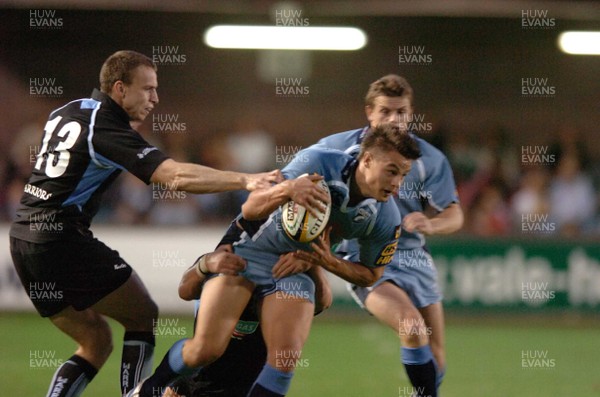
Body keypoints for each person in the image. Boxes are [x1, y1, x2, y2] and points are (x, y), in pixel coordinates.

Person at [7, 50, 305, 397]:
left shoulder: (68, 111)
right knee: (144, 316)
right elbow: (176, 176)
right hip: (61, 239)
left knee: (95, 342)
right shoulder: (108, 127)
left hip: (23, 240)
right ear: (119, 89)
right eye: (147, 89)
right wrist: (245, 180)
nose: (155, 98)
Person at [129, 124, 421, 397]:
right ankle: (149, 389)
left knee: (284, 357)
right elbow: (251, 207)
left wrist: (326, 261)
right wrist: (287, 189)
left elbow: (371, 274)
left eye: (403, 175)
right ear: (367, 160)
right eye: (392, 172)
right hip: (249, 249)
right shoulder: (318, 162)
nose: (397, 185)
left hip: (296, 266)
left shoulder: (386, 217)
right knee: (205, 350)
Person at [313, 74, 464, 397]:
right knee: (411, 328)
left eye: (402, 112)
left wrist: (430, 223)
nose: (394, 119)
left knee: (436, 356)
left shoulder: (428, 158)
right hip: (366, 258)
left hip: (414, 258)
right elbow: (301, 175)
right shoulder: (340, 148)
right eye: (385, 111)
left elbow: (455, 214)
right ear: (369, 111)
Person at [163, 217, 332, 397]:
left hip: (249, 387)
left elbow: (322, 303)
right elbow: (185, 291)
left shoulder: (286, 274)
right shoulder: (227, 260)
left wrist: (313, 262)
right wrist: (205, 264)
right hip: (198, 385)